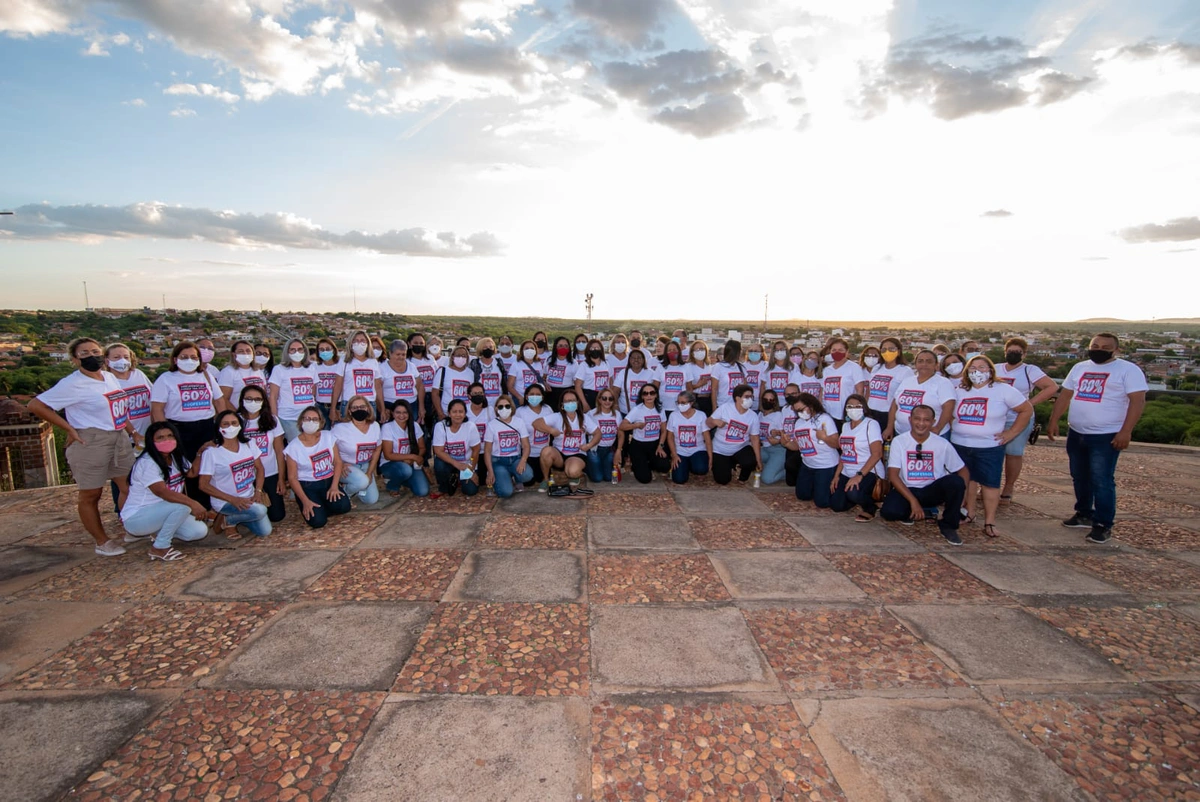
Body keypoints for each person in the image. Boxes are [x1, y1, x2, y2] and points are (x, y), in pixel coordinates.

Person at [27, 337, 137, 556]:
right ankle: (102, 541)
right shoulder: (72, 383)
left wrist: (132, 432)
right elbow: (36, 405)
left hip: (118, 438)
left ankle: (133, 527)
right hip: (92, 440)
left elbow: (118, 409)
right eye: (84, 353)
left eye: (95, 351)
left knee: (129, 487)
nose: (91, 356)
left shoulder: (108, 377)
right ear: (75, 359)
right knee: (91, 493)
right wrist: (68, 428)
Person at [1048, 333, 1148, 544]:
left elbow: (1137, 402)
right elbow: (1065, 395)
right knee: (1079, 476)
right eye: (1095, 345)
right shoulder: (1080, 368)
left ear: (1116, 350)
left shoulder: (1128, 370)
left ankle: (1103, 524)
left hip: (1106, 435)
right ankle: (1084, 513)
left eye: (1105, 347)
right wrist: (1054, 420)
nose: (1099, 349)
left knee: (1102, 480)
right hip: (1077, 432)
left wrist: (1126, 431)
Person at [949, 356, 1033, 538]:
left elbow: (1026, 410)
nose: (977, 372)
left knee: (990, 484)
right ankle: (969, 513)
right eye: (972, 368)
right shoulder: (960, 391)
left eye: (981, 367)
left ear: (990, 370)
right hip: (960, 444)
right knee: (967, 482)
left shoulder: (1003, 390)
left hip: (989, 447)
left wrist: (1011, 433)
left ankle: (990, 521)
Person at [119, 421, 210, 561]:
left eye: (170, 436)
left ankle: (158, 533)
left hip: (161, 513)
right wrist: (193, 504)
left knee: (198, 532)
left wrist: (200, 453)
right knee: (182, 505)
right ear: (151, 441)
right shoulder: (147, 462)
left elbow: (191, 473)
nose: (166, 440)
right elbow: (162, 492)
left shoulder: (174, 457)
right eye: (160, 437)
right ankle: (160, 547)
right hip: (138, 517)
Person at [881, 404, 969, 545]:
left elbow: (962, 469)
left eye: (926, 420)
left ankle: (949, 525)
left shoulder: (942, 443)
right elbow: (893, 475)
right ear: (910, 420)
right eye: (917, 419)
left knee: (956, 482)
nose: (921, 423)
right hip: (907, 489)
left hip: (931, 490)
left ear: (933, 422)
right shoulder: (899, 441)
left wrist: (964, 495)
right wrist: (913, 501)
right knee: (889, 512)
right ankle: (919, 511)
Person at [995, 337, 1058, 503]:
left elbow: (1052, 386)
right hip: (996, 418)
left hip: (1018, 417)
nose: (1013, 354)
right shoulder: (996, 369)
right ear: (1005, 352)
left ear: (1024, 354)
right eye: (1010, 352)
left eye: (1017, 352)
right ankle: (990, 486)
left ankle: (1008, 487)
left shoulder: (1029, 370)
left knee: (1014, 453)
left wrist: (1029, 404)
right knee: (992, 454)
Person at [198, 410, 272, 538]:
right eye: (225, 424)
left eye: (234, 423)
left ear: (240, 426)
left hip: (249, 497)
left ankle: (232, 519)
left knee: (265, 531)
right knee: (260, 511)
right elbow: (203, 485)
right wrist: (233, 500)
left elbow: (260, 468)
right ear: (218, 428)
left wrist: (258, 491)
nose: (230, 427)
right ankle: (228, 519)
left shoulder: (249, 444)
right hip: (225, 501)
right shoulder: (212, 452)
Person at [151, 340, 223, 464]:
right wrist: (165, 432)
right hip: (179, 429)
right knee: (183, 465)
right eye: (184, 357)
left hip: (207, 428)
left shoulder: (206, 376)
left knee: (207, 464)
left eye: (193, 357)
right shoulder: (166, 379)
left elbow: (219, 400)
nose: (189, 360)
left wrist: (222, 424)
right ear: (175, 359)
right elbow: (157, 409)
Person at [284, 406, 352, 527]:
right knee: (318, 522)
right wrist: (305, 501)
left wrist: (335, 486)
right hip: (308, 485)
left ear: (321, 422)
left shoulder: (328, 436)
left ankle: (323, 505)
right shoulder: (293, 447)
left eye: (315, 419)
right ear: (301, 421)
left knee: (344, 507)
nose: (311, 422)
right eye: (307, 419)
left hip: (328, 481)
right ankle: (309, 504)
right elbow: (292, 478)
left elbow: (337, 462)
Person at [831, 394, 885, 521]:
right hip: (848, 469)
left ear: (864, 408)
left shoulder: (871, 424)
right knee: (836, 505)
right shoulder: (845, 426)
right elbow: (845, 453)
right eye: (850, 406)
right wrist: (836, 476)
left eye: (857, 406)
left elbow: (877, 454)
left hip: (867, 470)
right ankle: (857, 497)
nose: (853, 409)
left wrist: (859, 475)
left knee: (853, 493)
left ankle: (870, 507)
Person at [237, 385, 286, 523]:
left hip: (270, 473)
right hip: (244, 476)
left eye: (257, 399)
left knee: (277, 516)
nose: (253, 402)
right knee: (254, 512)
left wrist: (281, 479)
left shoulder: (272, 420)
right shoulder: (236, 420)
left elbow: (279, 451)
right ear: (242, 400)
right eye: (249, 399)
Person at [534, 389, 599, 493]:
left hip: (576, 454)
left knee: (573, 472)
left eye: (573, 400)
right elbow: (536, 423)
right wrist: (551, 430)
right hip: (559, 454)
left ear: (577, 402)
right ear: (562, 404)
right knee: (546, 451)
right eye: (567, 401)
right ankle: (545, 479)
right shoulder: (557, 417)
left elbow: (598, 433)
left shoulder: (584, 418)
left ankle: (574, 474)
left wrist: (588, 445)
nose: (570, 403)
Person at [782, 392, 840, 508]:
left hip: (825, 465)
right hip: (808, 464)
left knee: (822, 503)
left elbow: (837, 444)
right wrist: (787, 443)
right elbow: (798, 446)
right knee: (802, 495)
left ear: (810, 405)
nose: (799, 413)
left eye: (801, 409)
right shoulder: (798, 422)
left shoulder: (824, 419)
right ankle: (818, 486)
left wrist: (824, 437)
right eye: (797, 411)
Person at [887, 350, 955, 439]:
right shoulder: (907, 381)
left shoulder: (943, 383)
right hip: (902, 434)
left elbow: (948, 408)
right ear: (915, 364)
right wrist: (889, 427)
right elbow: (894, 405)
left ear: (936, 365)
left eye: (929, 361)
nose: (924, 364)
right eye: (920, 361)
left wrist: (938, 428)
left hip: (931, 436)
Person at [707, 384, 762, 485]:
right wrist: (715, 422)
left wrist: (758, 460)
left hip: (740, 448)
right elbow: (708, 423)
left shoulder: (753, 416)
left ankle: (742, 477)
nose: (750, 399)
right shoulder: (725, 408)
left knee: (750, 461)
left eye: (751, 397)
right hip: (720, 450)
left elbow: (755, 438)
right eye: (746, 397)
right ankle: (729, 465)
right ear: (737, 398)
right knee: (722, 480)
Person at [332, 395, 382, 505]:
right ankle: (345, 496)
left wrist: (370, 472)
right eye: (355, 407)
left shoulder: (375, 426)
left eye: (362, 406)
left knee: (371, 500)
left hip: (365, 466)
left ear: (368, 408)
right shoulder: (340, 429)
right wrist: (340, 463)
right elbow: (328, 448)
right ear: (349, 411)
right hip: (347, 467)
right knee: (362, 482)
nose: (359, 410)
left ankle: (356, 486)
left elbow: (378, 449)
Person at [483, 395, 534, 498]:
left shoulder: (519, 422)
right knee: (506, 493)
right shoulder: (492, 425)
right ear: (496, 409)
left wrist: (523, 461)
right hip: (498, 461)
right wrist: (490, 471)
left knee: (528, 475)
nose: (504, 409)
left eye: (507, 406)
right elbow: (487, 451)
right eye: (500, 407)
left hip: (515, 459)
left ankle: (515, 478)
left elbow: (526, 445)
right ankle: (503, 478)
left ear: (511, 407)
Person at [268, 338, 318, 442]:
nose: (297, 352)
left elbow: (313, 392)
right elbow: (273, 396)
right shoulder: (279, 369)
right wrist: (275, 419)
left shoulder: (311, 368)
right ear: (287, 352)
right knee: (298, 447)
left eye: (300, 349)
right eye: (292, 350)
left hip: (309, 417)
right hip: (289, 418)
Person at [617, 384, 668, 484]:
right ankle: (637, 464)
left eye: (652, 393)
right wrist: (636, 425)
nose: (649, 396)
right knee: (645, 479)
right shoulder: (637, 410)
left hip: (654, 444)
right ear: (642, 396)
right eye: (645, 393)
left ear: (656, 395)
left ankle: (649, 464)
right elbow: (622, 426)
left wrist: (660, 446)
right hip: (639, 445)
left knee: (665, 466)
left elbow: (664, 430)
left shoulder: (660, 409)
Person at [432, 398, 482, 497]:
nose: (458, 415)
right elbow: (438, 451)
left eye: (461, 412)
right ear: (449, 413)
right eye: (454, 412)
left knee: (470, 491)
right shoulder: (440, 426)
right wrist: (457, 464)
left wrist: (470, 470)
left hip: (466, 464)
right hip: (449, 463)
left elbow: (476, 450)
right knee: (439, 463)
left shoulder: (470, 426)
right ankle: (444, 486)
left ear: (465, 413)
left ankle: (460, 478)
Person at [379, 400, 430, 497]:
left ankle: (401, 479)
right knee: (405, 470)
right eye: (398, 412)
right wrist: (412, 457)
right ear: (392, 414)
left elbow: (422, 447)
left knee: (422, 491)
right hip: (390, 463)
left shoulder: (415, 425)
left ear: (409, 413)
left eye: (405, 412)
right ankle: (392, 485)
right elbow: (388, 455)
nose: (401, 415)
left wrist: (415, 458)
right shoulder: (387, 427)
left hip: (410, 463)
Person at [332, 330, 383, 422]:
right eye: (356, 341)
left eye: (362, 341)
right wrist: (333, 408)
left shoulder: (373, 361)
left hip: (369, 404)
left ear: (368, 343)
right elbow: (337, 386)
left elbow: (378, 386)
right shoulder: (344, 361)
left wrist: (382, 409)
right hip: (349, 404)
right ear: (350, 344)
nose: (359, 343)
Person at [865, 337, 912, 429]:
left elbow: (903, 398)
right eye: (884, 349)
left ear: (898, 351)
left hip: (888, 415)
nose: (887, 352)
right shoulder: (877, 368)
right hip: (871, 413)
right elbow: (869, 391)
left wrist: (890, 426)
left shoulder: (905, 371)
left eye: (891, 349)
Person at [665, 390, 712, 483]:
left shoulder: (701, 415)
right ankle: (685, 465)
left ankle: (693, 464)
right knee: (679, 480)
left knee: (701, 468)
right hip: (680, 451)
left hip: (697, 449)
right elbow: (670, 437)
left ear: (691, 403)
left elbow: (707, 438)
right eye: (678, 403)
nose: (680, 405)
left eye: (683, 403)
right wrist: (674, 455)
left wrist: (710, 457)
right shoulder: (673, 416)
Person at [820, 337, 866, 428]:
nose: (837, 352)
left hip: (846, 415)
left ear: (847, 351)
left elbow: (860, 391)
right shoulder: (826, 370)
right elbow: (822, 392)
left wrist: (855, 412)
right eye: (834, 350)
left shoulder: (854, 368)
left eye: (841, 350)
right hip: (828, 414)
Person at [380, 338, 425, 424]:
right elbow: (378, 390)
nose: (401, 357)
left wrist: (421, 407)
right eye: (398, 354)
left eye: (403, 354)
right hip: (390, 406)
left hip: (411, 404)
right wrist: (382, 409)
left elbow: (420, 386)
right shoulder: (382, 368)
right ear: (390, 354)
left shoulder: (412, 366)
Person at [515, 383, 551, 485]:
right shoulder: (520, 412)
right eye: (532, 394)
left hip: (544, 453)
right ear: (526, 396)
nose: (535, 396)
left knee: (541, 479)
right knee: (528, 482)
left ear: (542, 396)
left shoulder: (548, 409)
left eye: (538, 394)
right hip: (528, 454)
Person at [584, 388, 622, 483]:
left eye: (610, 399)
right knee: (597, 478)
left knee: (609, 478)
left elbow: (621, 434)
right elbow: (584, 430)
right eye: (604, 398)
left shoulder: (617, 414)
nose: (607, 401)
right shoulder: (591, 414)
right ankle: (587, 467)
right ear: (599, 399)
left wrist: (618, 450)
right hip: (595, 449)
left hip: (609, 449)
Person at [218, 340, 268, 409]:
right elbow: (224, 399)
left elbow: (264, 394)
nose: (245, 353)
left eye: (248, 351)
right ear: (234, 354)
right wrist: (237, 416)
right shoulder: (228, 372)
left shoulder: (258, 371)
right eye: (241, 351)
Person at [432, 344, 474, 420]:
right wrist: (440, 413)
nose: (461, 357)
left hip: (466, 414)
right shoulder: (443, 371)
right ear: (452, 356)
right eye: (458, 355)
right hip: (447, 414)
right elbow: (435, 393)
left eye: (464, 356)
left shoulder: (471, 373)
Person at [574, 338, 612, 412]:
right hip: (590, 396)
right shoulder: (584, 365)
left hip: (604, 397)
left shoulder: (606, 363)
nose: (595, 350)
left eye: (597, 348)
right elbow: (577, 386)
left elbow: (610, 381)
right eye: (592, 348)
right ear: (588, 350)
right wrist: (584, 403)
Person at [757, 389, 787, 485]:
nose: (768, 402)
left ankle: (789, 473)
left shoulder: (778, 415)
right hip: (764, 449)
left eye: (771, 400)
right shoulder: (760, 415)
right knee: (750, 458)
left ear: (775, 402)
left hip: (778, 450)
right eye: (765, 399)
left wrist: (777, 435)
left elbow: (786, 434)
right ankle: (771, 466)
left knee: (767, 479)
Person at [619, 348, 660, 416]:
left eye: (639, 358)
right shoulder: (623, 373)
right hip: (625, 411)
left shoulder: (651, 373)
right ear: (629, 360)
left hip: (645, 412)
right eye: (633, 358)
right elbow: (615, 391)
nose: (636, 360)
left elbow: (655, 391)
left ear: (643, 360)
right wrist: (616, 406)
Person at [470, 337, 507, 410]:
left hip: (498, 403)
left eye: (490, 347)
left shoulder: (499, 362)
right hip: (481, 403)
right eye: (485, 347)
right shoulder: (475, 363)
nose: (488, 349)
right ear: (480, 348)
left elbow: (504, 382)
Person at [710, 341, 748, 409]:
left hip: (738, 406)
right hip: (723, 406)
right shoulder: (718, 367)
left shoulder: (741, 368)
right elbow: (714, 389)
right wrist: (714, 408)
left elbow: (745, 388)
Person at [313, 338, 342, 427]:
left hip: (338, 406)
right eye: (321, 349)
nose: (325, 351)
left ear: (334, 350)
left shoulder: (340, 365)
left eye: (328, 349)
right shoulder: (314, 366)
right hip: (320, 406)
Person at [542, 336, 577, 411]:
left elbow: (576, 383)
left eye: (566, 346)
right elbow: (543, 376)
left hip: (566, 392)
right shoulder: (549, 360)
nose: (563, 348)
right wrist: (544, 383)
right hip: (550, 393)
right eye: (560, 346)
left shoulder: (574, 363)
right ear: (555, 347)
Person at [658, 340, 689, 414]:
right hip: (664, 407)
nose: (672, 352)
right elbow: (655, 386)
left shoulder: (686, 367)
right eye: (669, 350)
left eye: (674, 350)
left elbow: (689, 388)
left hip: (681, 407)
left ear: (679, 351)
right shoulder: (660, 367)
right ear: (666, 353)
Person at [508, 340, 543, 406]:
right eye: (526, 348)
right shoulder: (516, 364)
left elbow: (540, 381)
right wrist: (519, 397)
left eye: (532, 348)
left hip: (534, 399)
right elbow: (509, 386)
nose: (529, 350)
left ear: (535, 351)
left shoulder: (538, 364)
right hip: (520, 399)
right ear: (522, 351)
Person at [685, 340, 714, 414]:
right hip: (697, 399)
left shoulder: (710, 367)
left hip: (709, 399)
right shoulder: (688, 367)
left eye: (702, 349)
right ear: (692, 352)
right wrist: (698, 385)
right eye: (697, 349)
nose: (700, 351)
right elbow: (686, 387)